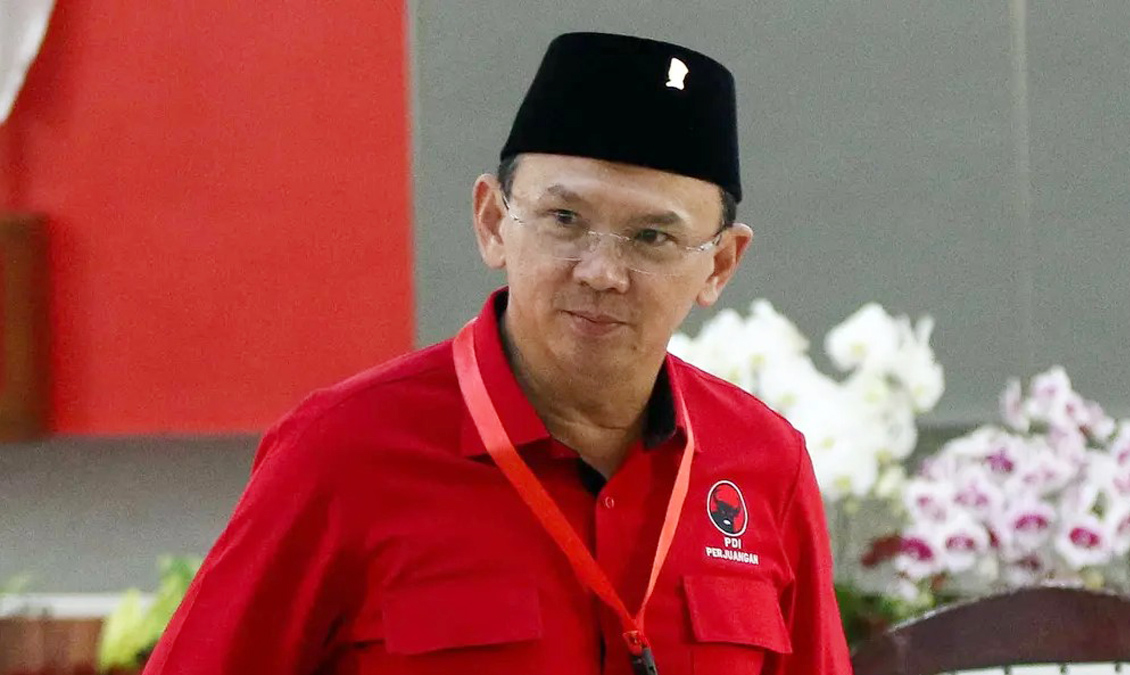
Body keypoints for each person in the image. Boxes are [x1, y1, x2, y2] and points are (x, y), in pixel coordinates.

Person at [143, 31, 851, 675]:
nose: (601, 272)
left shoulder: (765, 464)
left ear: (720, 265)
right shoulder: (341, 453)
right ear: (491, 222)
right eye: (565, 219)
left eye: (652, 238)